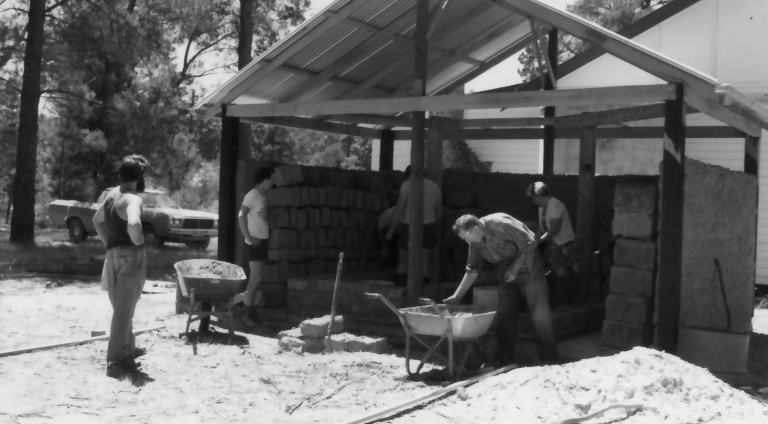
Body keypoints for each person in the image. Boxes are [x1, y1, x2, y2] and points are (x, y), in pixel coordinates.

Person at [444, 213, 560, 367]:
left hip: (529, 263)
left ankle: (549, 359)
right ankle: (504, 359)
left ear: (476, 229)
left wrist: (515, 267)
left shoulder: (500, 224)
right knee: (505, 313)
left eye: (466, 237)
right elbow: (472, 270)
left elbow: (529, 243)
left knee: (539, 312)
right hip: (505, 268)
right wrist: (457, 296)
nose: (467, 241)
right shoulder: (475, 242)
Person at [92, 154, 150, 379]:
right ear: (138, 178)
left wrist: (109, 244)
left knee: (121, 308)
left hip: (112, 256)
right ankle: (114, 360)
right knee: (124, 310)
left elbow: (97, 220)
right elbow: (134, 223)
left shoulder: (111, 194)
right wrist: (137, 239)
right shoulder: (132, 199)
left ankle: (127, 352)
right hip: (130, 257)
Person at [385, 166, 442, 286]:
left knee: (403, 258)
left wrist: (391, 230)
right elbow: (439, 212)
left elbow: (399, 208)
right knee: (425, 260)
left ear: (409, 175)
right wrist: (436, 229)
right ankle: (424, 290)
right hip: (430, 226)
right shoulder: (435, 187)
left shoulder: (407, 184)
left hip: (410, 225)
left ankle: (401, 288)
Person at [525, 182, 578, 306]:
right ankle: (558, 301)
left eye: (533, 198)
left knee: (564, 275)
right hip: (553, 246)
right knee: (553, 274)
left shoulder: (555, 205)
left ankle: (570, 302)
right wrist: (533, 239)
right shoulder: (542, 209)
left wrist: (537, 242)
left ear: (539, 195)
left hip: (564, 245)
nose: (533, 201)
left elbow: (553, 230)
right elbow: (541, 228)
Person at [237, 167, 275, 327]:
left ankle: (250, 311)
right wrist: (248, 237)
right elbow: (241, 215)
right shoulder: (252, 195)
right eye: (271, 179)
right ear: (265, 180)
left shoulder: (262, 196)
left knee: (255, 278)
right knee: (255, 278)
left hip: (261, 242)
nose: (272, 182)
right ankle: (247, 312)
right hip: (254, 243)